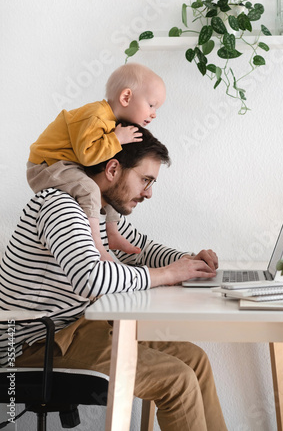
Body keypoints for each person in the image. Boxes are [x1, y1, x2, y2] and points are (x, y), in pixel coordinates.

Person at [0, 124, 228, 431]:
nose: (148, 193)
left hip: (75, 330)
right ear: (112, 168)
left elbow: (141, 249)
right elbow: (90, 278)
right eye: (145, 180)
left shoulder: (102, 216)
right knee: (178, 380)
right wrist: (167, 274)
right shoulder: (61, 206)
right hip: (34, 344)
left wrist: (187, 261)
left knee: (195, 360)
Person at [26, 62, 166, 260]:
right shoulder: (96, 117)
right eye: (151, 105)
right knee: (90, 189)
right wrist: (116, 139)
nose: (153, 113)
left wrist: (186, 259)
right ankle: (98, 246)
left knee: (103, 190)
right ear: (126, 97)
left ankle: (113, 233)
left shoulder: (110, 122)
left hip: (64, 163)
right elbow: (87, 155)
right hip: (46, 165)